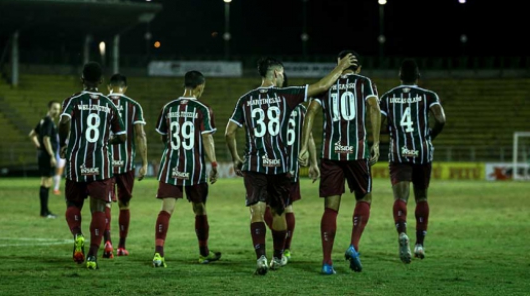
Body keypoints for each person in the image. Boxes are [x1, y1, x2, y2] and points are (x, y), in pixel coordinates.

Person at [225, 55, 357, 275]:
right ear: (276, 73)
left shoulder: (245, 99)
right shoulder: (287, 95)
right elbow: (323, 85)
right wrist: (341, 67)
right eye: (282, 73)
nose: (283, 76)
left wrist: (236, 158)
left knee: (256, 213)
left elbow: (229, 132)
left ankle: (261, 259)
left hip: (255, 162)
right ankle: (278, 256)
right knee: (279, 213)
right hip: (279, 165)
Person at [299, 50, 381, 275]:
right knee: (364, 197)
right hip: (357, 152)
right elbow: (374, 107)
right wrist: (375, 143)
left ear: (340, 64)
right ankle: (354, 246)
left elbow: (310, 112)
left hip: (330, 153)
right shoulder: (365, 82)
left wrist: (304, 146)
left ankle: (327, 262)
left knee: (331, 208)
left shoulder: (327, 83)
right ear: (359, 69)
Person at [58, 62, 127, 270]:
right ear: (101, 81)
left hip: (77, 161)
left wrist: (64, 144)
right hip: (101, 164)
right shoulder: (109, 103)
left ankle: (78, 235)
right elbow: (122, 136)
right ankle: (92, 256)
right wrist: (106, 141)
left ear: (82, 79)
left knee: (72, 204)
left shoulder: (73, 100)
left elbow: (63, 122)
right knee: (99, 210)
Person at [379, 59, 446, 263]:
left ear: (400, 77)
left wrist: (390, 132)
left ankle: (402, 233)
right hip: (422, 151)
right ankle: (419, 245)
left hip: (399, 152)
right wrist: (429, 137)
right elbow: (441, 119)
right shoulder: (428, 96)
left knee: (401, 196)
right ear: (418, 77)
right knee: (421, 197)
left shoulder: (388, 97)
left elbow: (378, 123)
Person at [152, 70, 221, 268]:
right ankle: (203, 252)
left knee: (167, 209)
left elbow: (163, 136)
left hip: (170, 164)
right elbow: (207, 137)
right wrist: (214, 164)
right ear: (199, 87)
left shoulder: (168, 107)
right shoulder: (203, 109)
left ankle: (158, 254)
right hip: (194, 167)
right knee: (199, 208)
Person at [262, 74, 320, 266]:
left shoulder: (270, 106)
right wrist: (313, 163)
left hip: (272, 167)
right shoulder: (301, 110)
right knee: (287, 207)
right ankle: (285, 249)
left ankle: (281, 245)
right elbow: (309, 137)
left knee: (265, 210)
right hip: (292, 168)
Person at [101, 74, 148, 259]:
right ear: (125, 88)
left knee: (105, 203)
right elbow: (140, 135)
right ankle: (121, 246)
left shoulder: (101, 103)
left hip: (104, 162)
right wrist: (144, 163)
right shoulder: (133, 106)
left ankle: (107, 242)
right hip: (127, 163)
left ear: (108, 87)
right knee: (124, 204)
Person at [28, 100, 61, 218]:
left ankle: (45, 210)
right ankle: (44, 212)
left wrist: (38, 146)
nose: (57, 111)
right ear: (49, 109)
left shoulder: (43, 120)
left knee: (46, 181)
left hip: (43, 154)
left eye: (58, 109)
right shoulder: (48, 122)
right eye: (55, 109)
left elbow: (32, 134)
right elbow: (46, 139)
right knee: (46, 182)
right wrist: (51, 155)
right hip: (47, 156)